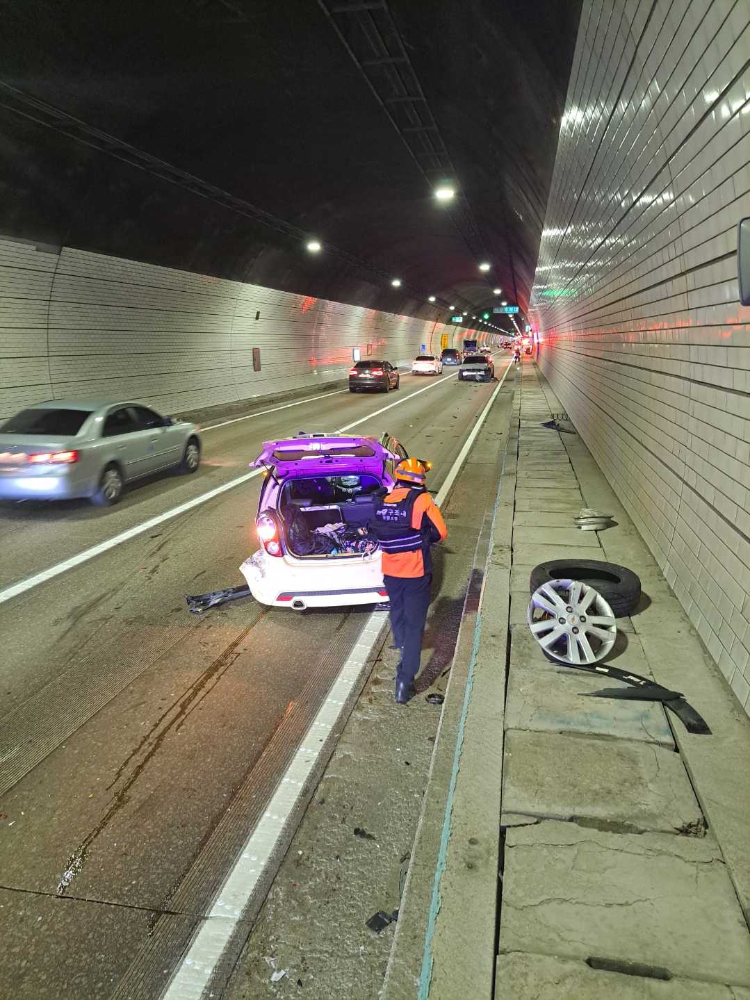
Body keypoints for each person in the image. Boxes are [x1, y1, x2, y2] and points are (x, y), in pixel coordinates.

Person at [370, 458, 448, 703]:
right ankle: (405, 681)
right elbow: (441, 533)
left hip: (390, 571)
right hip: (415, 572)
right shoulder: (422, 500)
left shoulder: (382, 499)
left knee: (398, 608)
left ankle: (400, 641)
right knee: (416, 625)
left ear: (399, 476)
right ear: (421, 480)